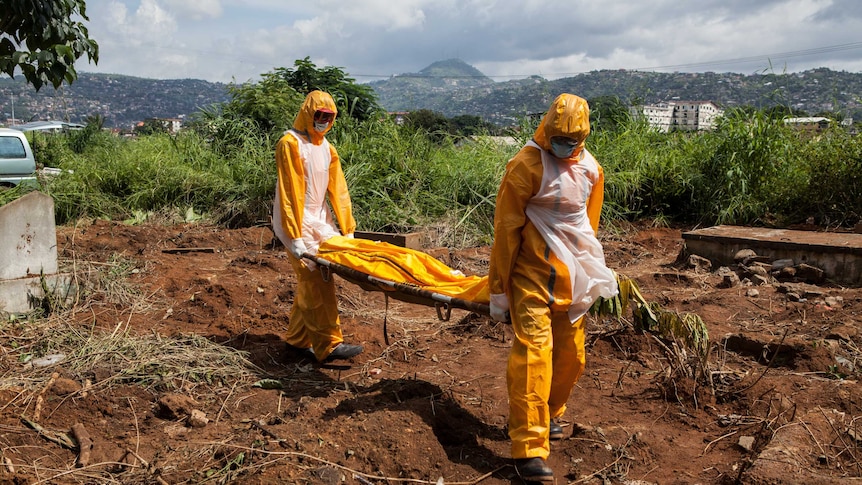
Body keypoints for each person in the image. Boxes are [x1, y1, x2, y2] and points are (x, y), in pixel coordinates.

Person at [488, 93, 618, 482]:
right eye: (558, 137)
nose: (564, 144)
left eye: (571, 139)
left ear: (583, 136)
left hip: (573, 278)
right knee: (534, 356)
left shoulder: (592, 169)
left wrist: (590, 271)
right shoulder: (525, 166)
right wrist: (499, 289)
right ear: (547, 130)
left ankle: (550, 412)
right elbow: (506, 230)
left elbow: (586, 227)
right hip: (530, 275)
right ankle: (528, 447)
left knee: (572, 357)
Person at [272, 90, 364, 363]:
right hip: (296, 221)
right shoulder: (290, 144)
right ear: (308, 114)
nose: (323, 120)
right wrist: (294, 235)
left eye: (329, 116)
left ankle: (297, 340)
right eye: (319, 115)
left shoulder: (327, 148)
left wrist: (347, 227)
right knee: (315, 280)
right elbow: (290, 192)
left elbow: (339, 188)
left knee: (314, 279)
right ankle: (328, 345)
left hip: (320, 220)